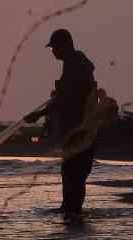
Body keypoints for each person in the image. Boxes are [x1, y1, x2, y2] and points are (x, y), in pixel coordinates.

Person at [26, 28, 98, 216]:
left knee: (72, 174)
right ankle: (72, 213)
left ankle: (71, 213)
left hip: (78, 131)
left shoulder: (74, 65)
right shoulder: (77, 63)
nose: (53, 52)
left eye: (54, 48)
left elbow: (65, 99)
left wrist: (39, 114)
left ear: (64, 46)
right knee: (76, 174)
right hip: (83, 132)